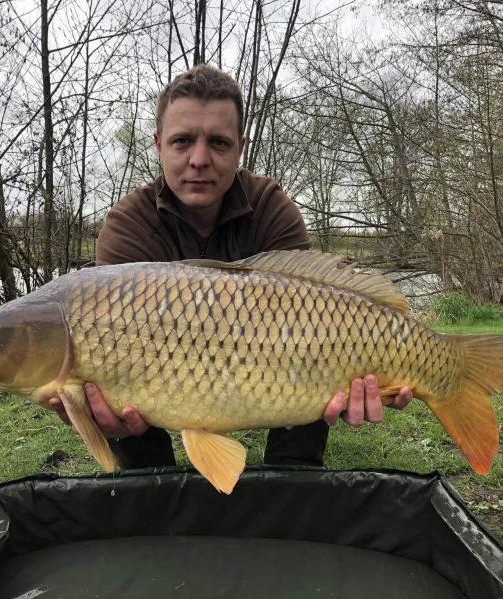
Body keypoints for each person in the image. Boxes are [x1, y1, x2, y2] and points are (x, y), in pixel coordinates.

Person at [48, 64, 412, 470]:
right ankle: (151, 485)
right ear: (159, 145)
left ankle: (292, 476)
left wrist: (376, 376)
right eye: (182, 141)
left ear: (240, 148)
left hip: (280, 357)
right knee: (120, 377)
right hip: (160, 371)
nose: (199, 160)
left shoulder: (271, 207)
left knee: (312, 351)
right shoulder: (129, 225)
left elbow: (318, 311)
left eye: (218, 143)